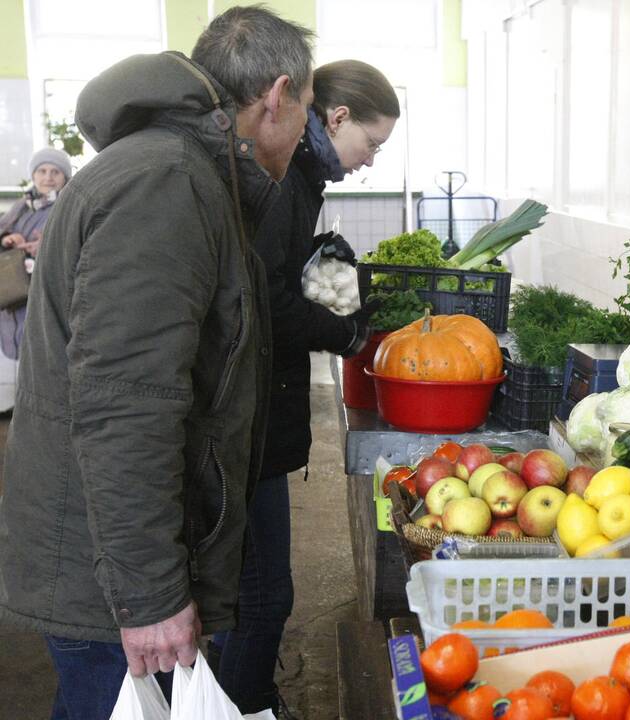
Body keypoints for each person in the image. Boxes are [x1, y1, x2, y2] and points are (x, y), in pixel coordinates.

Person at [0, 7, 315, 719]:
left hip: (112, 555)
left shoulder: (182, 170)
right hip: (108, 577)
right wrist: (149, 596)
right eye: (307, 111)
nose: (304, 134)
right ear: (277, 94)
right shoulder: (165, 184)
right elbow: (125, 401)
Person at [210, 58, 399, 715]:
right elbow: (261, 296)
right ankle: (246, 704)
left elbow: (280, 267)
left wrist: (329, 274)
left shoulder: (299, 178)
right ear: (336, 117)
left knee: (249, 589)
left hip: (259, 411)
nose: (370, 161)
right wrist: (340, 333)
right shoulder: (282, 176)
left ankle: (242, 697)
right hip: (246, 417)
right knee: (263, 592)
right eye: (370, 144)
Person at [0, 148, 71, 360]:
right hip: (15, 293)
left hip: (45, 293)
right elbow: (3, 232)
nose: (48, 178)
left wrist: (43, 247)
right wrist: (8, 240)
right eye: (42, 171)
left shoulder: (69, 206)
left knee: (45, 357)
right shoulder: (23, 205)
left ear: (65, 177)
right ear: (33, 175)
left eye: (55, 172)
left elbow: (77, 245)